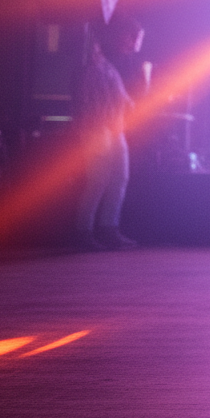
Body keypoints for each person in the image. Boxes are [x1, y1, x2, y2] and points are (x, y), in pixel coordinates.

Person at [72, 15, 143, 251]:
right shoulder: (93, 63)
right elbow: (90, 100)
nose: (133, 43)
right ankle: (83, 232)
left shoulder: (111, 65)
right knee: (98, 180)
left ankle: (108, 228)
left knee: (119, 178)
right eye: (130, 37)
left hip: (114, 129)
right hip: (96, 129)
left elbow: (119, 98)